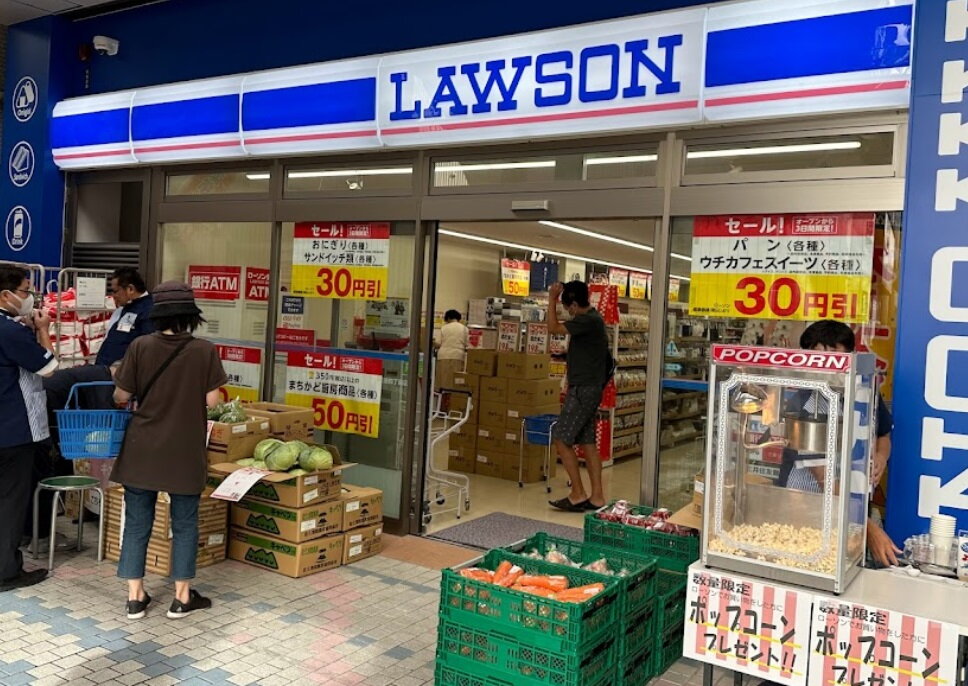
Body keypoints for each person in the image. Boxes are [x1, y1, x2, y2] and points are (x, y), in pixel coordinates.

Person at [111, 281, 227, 619]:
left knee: (137, 523)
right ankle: (182, 598)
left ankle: (135, 598)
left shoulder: (140, 346)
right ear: (191, 316)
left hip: (142, 448)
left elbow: (121, 396)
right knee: (186, 523)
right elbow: (213, 401)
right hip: (184, 449)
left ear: (157, 314)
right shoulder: (204, 350)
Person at [779, 319, 900, 567]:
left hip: (853, 503)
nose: (827, 367)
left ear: (851, 357)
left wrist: (881, 457)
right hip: (809, 507)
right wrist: (867, 528)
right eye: (818, 357)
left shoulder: (865, 392)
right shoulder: (804, 404)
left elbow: (884, 434)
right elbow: (824, 479)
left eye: (834, 356)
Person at [0, 265, 57, 591]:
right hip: (13, 430)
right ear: (5, 295)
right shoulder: (10, 331)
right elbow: (48, 367)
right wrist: (43, 330)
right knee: (10, 501)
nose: (30, 297)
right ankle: (6, 571)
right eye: (25, 291)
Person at [546, 281, 611, 512]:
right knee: (588, 442)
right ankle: (597, 497)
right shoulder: (594, 319)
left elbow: (553, 328)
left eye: (567, 308)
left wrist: (551, 299)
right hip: (590, 388)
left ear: (574, 305)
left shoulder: (586, 320)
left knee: (561, 438)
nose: (568, 312)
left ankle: (577, 493)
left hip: (583, 390)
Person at [96, 267, 154, 366]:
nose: (113, 296)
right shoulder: (129, 306)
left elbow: (147, 347)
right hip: (107, 366)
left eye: (116, 291)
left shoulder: (148, 310)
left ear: (130, 289)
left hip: (120, 370)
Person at [435, 309, 469, 390]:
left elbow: (438, 343)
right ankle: (455, 396)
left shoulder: (444, 328)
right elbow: (468, 344)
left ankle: (443, 397)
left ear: (448, 318)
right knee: (456, 381)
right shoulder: (465, 329)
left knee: (443, 382)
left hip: (443, 356)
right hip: (458, 356)